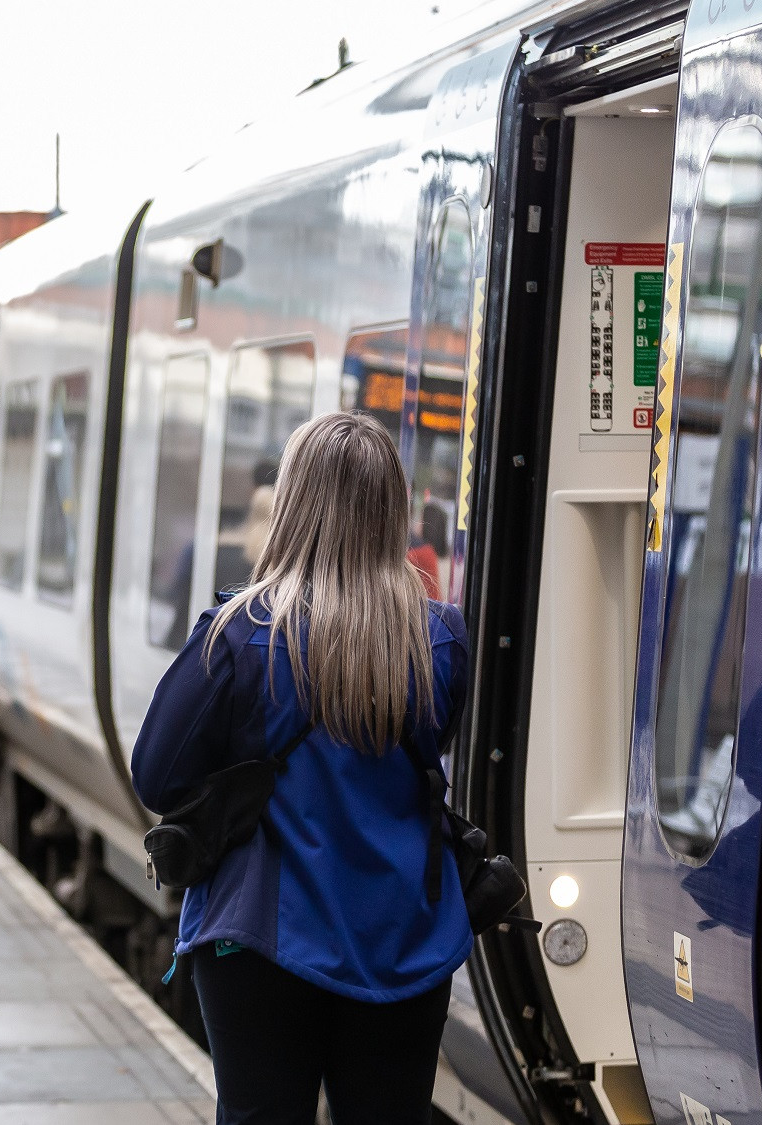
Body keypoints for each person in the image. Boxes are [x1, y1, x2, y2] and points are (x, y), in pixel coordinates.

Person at [131, 412, 473, 1124]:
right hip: (405, 939)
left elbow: (156, 776)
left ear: (291, 503)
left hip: (261, 941)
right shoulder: (441, 639)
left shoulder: (238, 634)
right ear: (391, 512)